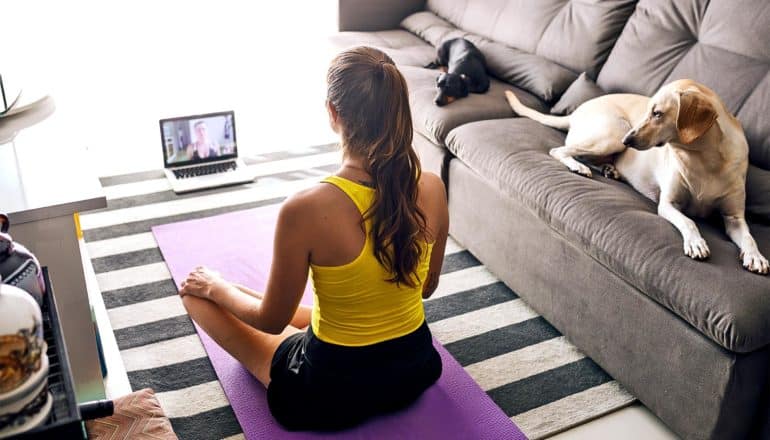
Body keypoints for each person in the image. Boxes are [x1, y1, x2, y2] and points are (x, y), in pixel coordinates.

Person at [179, 46, 449, 431]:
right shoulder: (434, 187)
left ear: (333, 113)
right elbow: (426, 288)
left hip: (326, 392)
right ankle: (228, 289)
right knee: (273, 300)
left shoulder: (305, 208)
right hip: (417, 369)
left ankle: (220, 288)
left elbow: (271, 322)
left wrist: (217, 289)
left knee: (196, 294)